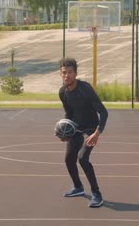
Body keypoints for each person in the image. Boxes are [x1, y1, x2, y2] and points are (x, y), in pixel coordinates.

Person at [56, 57, 108, 208]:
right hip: (76, 128)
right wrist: (64, 131)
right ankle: (78, 187)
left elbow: (104, 113)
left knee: (82, 158)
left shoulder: (85, 89)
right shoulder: (63, 92)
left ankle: (97, 193)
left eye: (70, 72)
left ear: (75, 73)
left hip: (91, 129)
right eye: (64, 72)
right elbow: (69, 114)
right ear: (61, 74)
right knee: (68, 159)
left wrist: (97, 133)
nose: (67, 75)